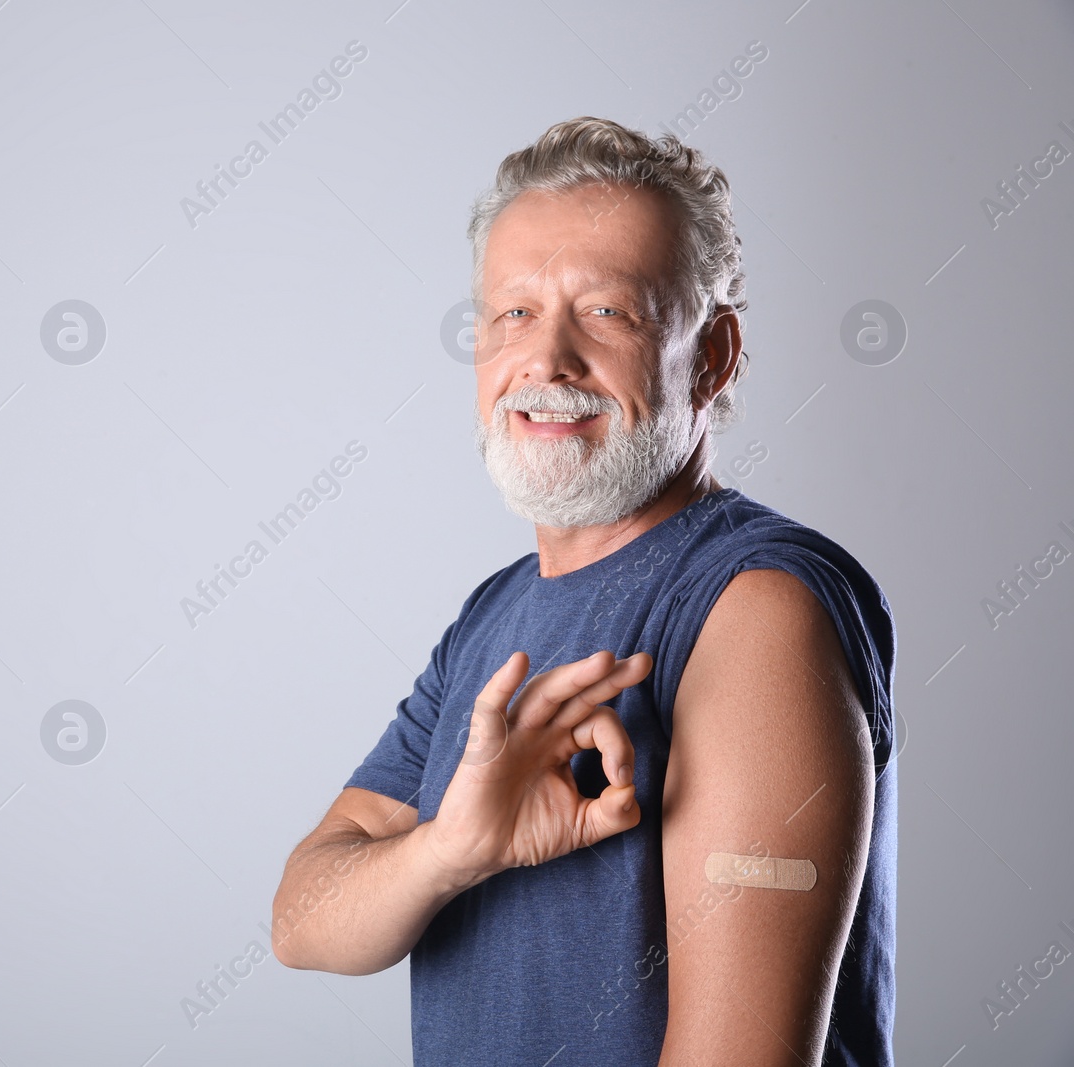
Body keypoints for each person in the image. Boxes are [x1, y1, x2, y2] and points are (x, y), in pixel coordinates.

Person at [270, 116, 897, 1066]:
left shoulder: (756, 606)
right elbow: (302, 922)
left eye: (608, 311)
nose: (547, 359)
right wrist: (452, 849)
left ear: (714, 355)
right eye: (513, 313)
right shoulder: (495, 614)